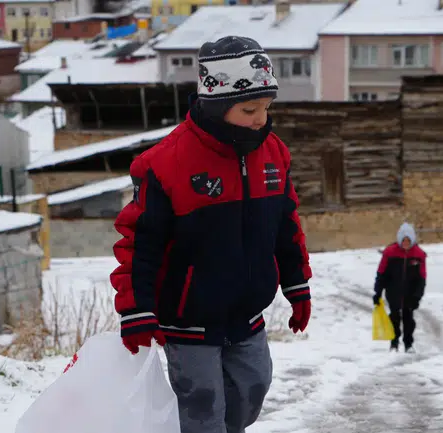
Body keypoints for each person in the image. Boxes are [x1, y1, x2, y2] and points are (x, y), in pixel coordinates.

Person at [109, 35, 312, 433]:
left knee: (254, 390)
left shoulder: (274, 153)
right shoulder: (165, 164)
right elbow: (140, 243)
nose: (261, 118)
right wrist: (136, 308)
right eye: (249, 108)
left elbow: (286, 226)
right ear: (217, 106)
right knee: (202, 408)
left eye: (266, 107)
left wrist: (297, 284)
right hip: (188, 319)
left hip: (248, 313)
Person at [372, 222, 427, 353]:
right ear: (399, 240)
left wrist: (417, 296)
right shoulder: (390, 253)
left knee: (408, 318)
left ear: (412, 240)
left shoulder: (418, 255)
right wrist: (378, 292)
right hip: (393, 291)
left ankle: (408, 344)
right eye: (404, 240)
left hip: (410, 293)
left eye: (408, 240)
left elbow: (422, 278)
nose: (406, 243)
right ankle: (394, 343)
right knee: (394, 317)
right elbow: (381, 273)